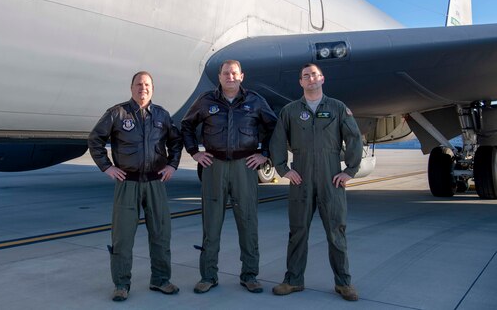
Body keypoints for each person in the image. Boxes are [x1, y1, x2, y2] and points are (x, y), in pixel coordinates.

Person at [181, 59, 277, 294]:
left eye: (234, 73)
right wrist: (194, 152)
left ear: (241, 76)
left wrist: (264, 154)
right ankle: (208, 276)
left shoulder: (255, 101)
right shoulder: (206, 101)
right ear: (220, 76)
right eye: (226, 73)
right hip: (214, 165)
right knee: (211, 223)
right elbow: (186, 125)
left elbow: (275, 127)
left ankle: (250, 275)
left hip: (245, 166)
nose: (230, 77)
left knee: (248, 222)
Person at [270, 63, 362, 301]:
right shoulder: (290, 111)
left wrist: (350, 170)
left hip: (331, 177)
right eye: (305, 76)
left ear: (322, 79)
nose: (311, 79)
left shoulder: (337, 108)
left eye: (314, 75)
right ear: (300, 82)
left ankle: (344, 283)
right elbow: (278, 141)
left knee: (336, 231)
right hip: (300, 176)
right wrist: (282, 169)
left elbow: (353, 138)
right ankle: (293, 280)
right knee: (298, 231)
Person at [88, 71, 183, 302]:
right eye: (139, 84)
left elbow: (176, 142)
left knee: (161, 234)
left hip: (155, 182)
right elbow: (95, 140)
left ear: (153, 88)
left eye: (147, 84)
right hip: (127, 183)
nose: (143, 88)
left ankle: (160, 280)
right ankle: (121, 284)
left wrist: (172, 165)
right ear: (131, 88)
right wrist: (107, 167)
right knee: (122, 236)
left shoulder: (161, 114)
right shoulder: (117, 113)